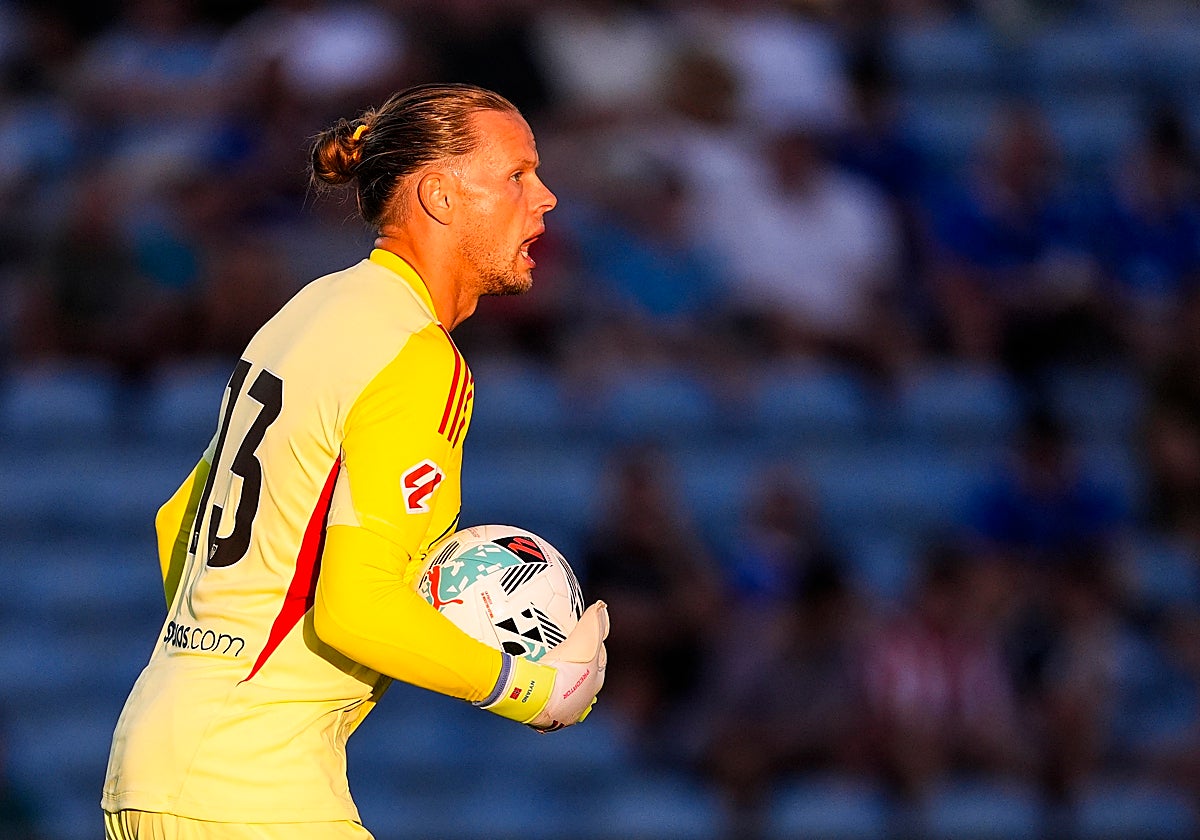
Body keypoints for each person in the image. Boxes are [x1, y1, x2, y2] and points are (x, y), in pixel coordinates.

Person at [101, 82, 609, 840]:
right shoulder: (417, 353)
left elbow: (180, 523)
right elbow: (357, 606)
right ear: (438, 194)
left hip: (157, 756)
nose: (546, 197)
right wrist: (532, 687)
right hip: (252, 786)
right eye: (517, 174)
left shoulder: (307, 309)